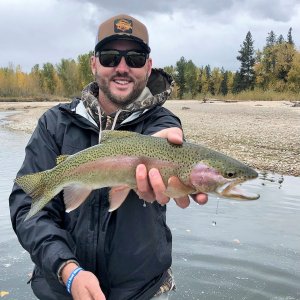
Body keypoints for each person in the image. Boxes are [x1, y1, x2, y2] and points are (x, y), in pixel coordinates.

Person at [9, 14, 208, 300]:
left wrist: (164, 149)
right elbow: (27, 209)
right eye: (110, 57)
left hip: (143, 292)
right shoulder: (54, 124)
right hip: (61, 288)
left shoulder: (161, 125)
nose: (122, 68)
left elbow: (167, 137)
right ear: (94, 64)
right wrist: (67, 269)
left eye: (135, 58)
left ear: (149, 67)